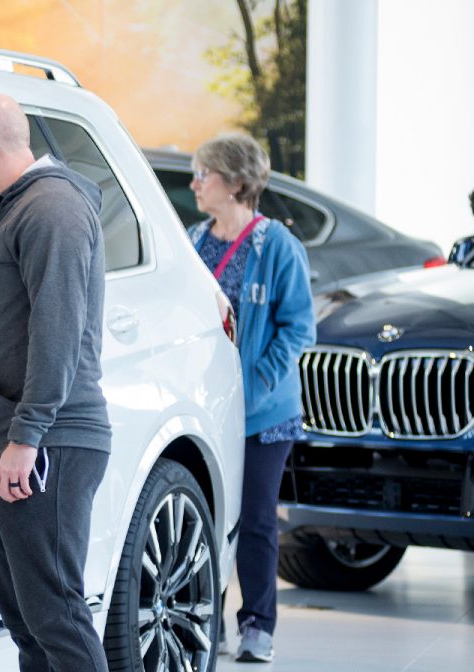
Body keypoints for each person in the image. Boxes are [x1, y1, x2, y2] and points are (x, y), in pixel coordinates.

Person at [0, 92, 113, 672]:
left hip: (47, 441)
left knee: (56, 617)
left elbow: (58, 326)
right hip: (13, 439)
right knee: (29, 626)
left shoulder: (51, 209)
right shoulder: (16, 209)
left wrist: (28, 435)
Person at [183, 133, 314, 663]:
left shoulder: (277, 244)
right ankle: (203, 618)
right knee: (204, 516)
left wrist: (255, 384)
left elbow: (298, 327)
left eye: (204, 174)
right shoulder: (194, 240)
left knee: (256, 520)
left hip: (264, 415)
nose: (195, 184)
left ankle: (257, 624)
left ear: (236, 183)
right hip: (205, 409)